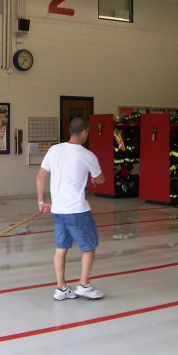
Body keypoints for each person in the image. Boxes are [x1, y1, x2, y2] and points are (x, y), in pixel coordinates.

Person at [35, 116, 105, 301]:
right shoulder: (87, 155)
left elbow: (40, 177)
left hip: (58, 210)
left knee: (61, 247)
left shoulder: (54, 150)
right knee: (89, 247)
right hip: (77, 211)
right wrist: (94, 179)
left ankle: (61, 288)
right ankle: (84, 285)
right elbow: (100, 179)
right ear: (84, 132)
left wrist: (42, 203)